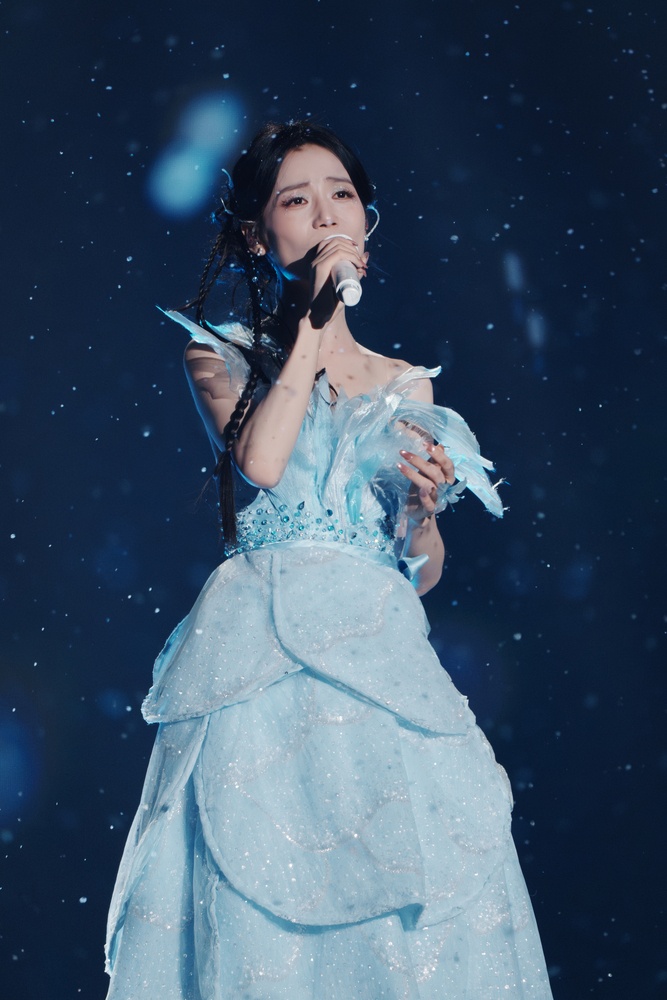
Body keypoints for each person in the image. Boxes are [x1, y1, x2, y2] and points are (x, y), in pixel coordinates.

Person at [105, 121, 553, 999]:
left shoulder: (405, 382)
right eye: (295, 200)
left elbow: (418, 568)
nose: (324, 214)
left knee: (403, 891)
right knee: (259, 880)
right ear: (255, 235)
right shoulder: (217, 352)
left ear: (366, 219)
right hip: (262, 656)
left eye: (340, 195)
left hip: (377, 653)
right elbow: (263, 463)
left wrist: (421, 513)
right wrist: (314, 320)